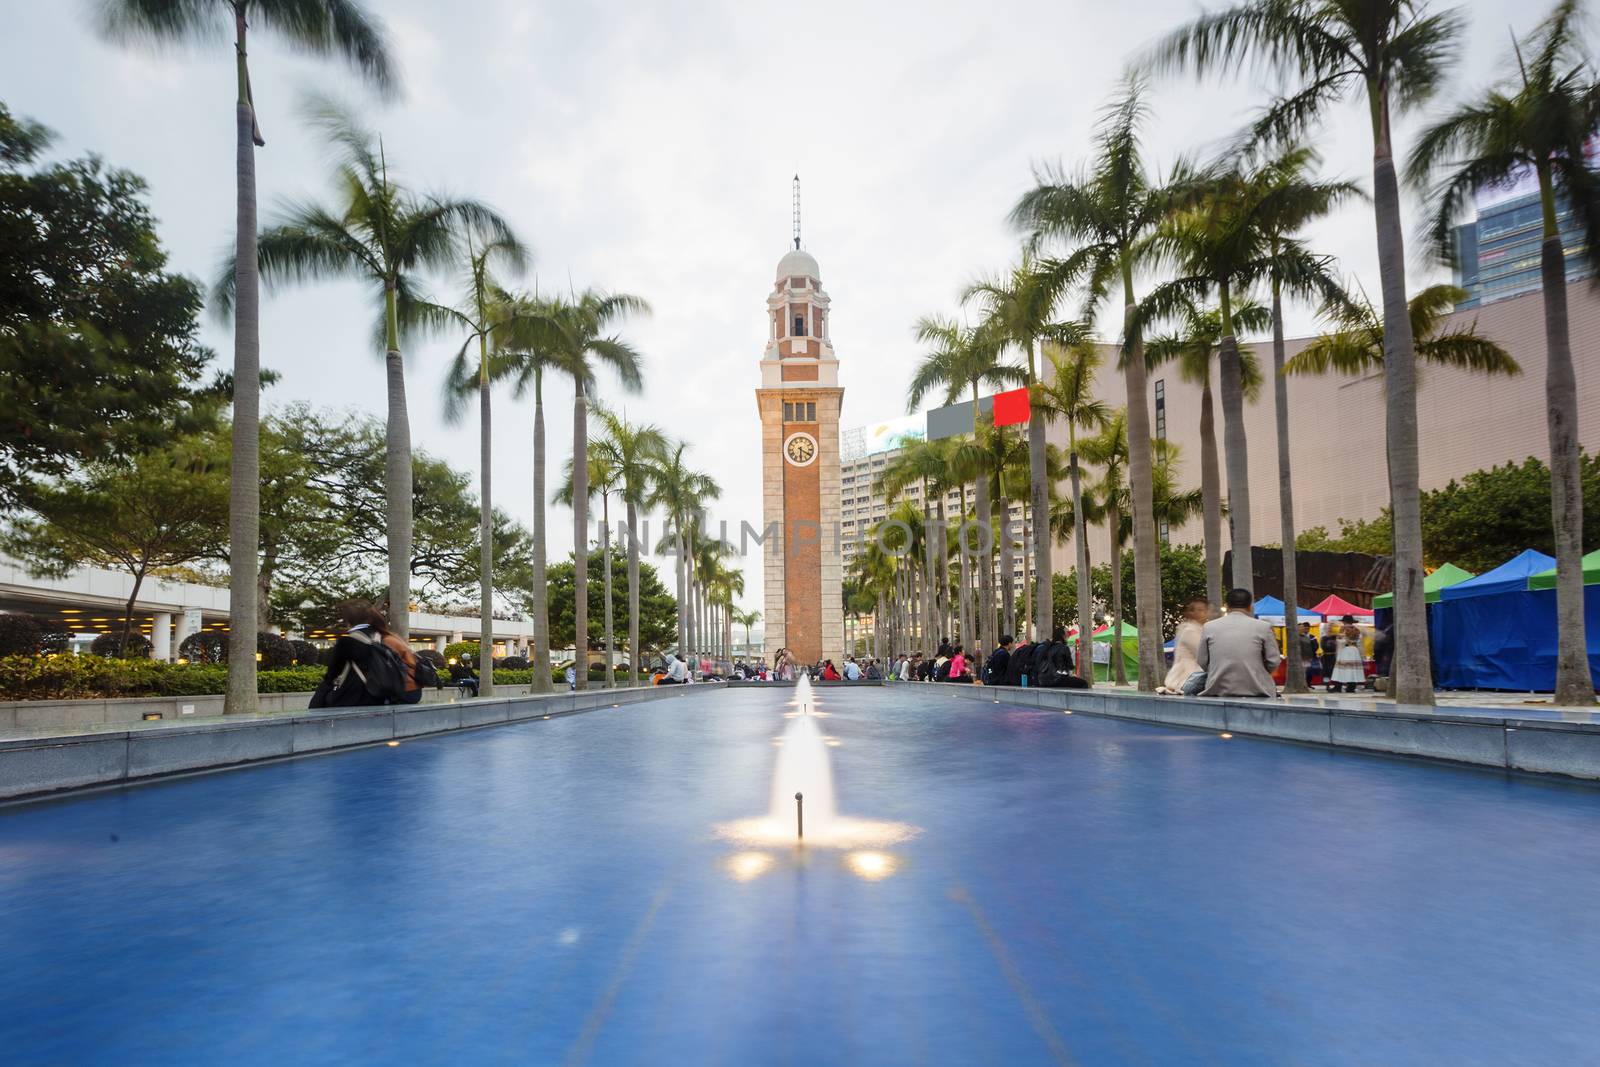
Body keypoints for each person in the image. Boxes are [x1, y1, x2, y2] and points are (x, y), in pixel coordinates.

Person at [311, 600, 410, 708]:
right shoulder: (383, 636)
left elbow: (332, 674)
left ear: (348, 620)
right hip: (380, 697)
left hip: (353, 698)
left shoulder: (347, 642)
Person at [1197, 589, 1282, 698]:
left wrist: (1218, 669)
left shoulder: (1209, 626)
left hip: (1217, 688)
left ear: (1226, 606)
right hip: (1258, 689)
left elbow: (1202, 660)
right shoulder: (1263, 627)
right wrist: (1257, 671)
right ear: (1250, 606)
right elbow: (1274, 661)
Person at [1159, 598, 1208, 695]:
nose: (1200, 613)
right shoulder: (1189, 630)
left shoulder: (1201, 628)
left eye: (1202, 610)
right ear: (1189, 613)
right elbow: (1202, 652)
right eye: (1195, 610)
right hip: (1188, 675)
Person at [1330, 615, 1366, 693]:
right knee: (1352, 669)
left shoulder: (1343, 629)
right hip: (1354, 650)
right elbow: (1360, 642)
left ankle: (1338, 686)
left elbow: (1341, 640)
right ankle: (1351, 687)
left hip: (1345, 650)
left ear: (1344, 622)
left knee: (1341, 669)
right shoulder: (1357, 630)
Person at [1297, 622, 1321, 687]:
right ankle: (1301, 684)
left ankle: (1308, 684)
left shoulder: (1312, 637)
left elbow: (1316, 646)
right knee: (1302, 671)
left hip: (1310, 656)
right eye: (1305, 628)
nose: (1306, 629)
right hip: (1301, 656)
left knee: (1310, 671)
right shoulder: (1297, 636)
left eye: (1308, 628)